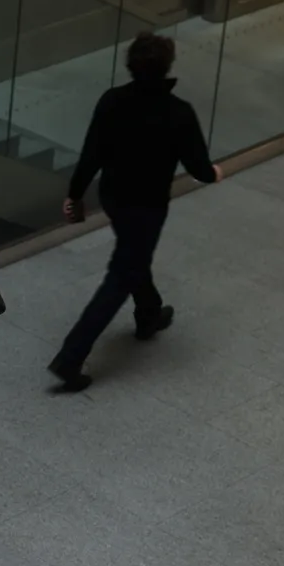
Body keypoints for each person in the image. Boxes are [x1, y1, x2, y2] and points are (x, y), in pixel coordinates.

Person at [47, 32, 221, 393]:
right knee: (121, 275)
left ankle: (149, 313)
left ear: (130, 65)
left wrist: (75, 196)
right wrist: (215, 173)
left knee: (132, 255)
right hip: (148, 205)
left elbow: (90, 154)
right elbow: (200, 169)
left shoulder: (112, 101)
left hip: (114, 196)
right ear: (167, 67)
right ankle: (71, 357)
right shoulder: (178, 113)